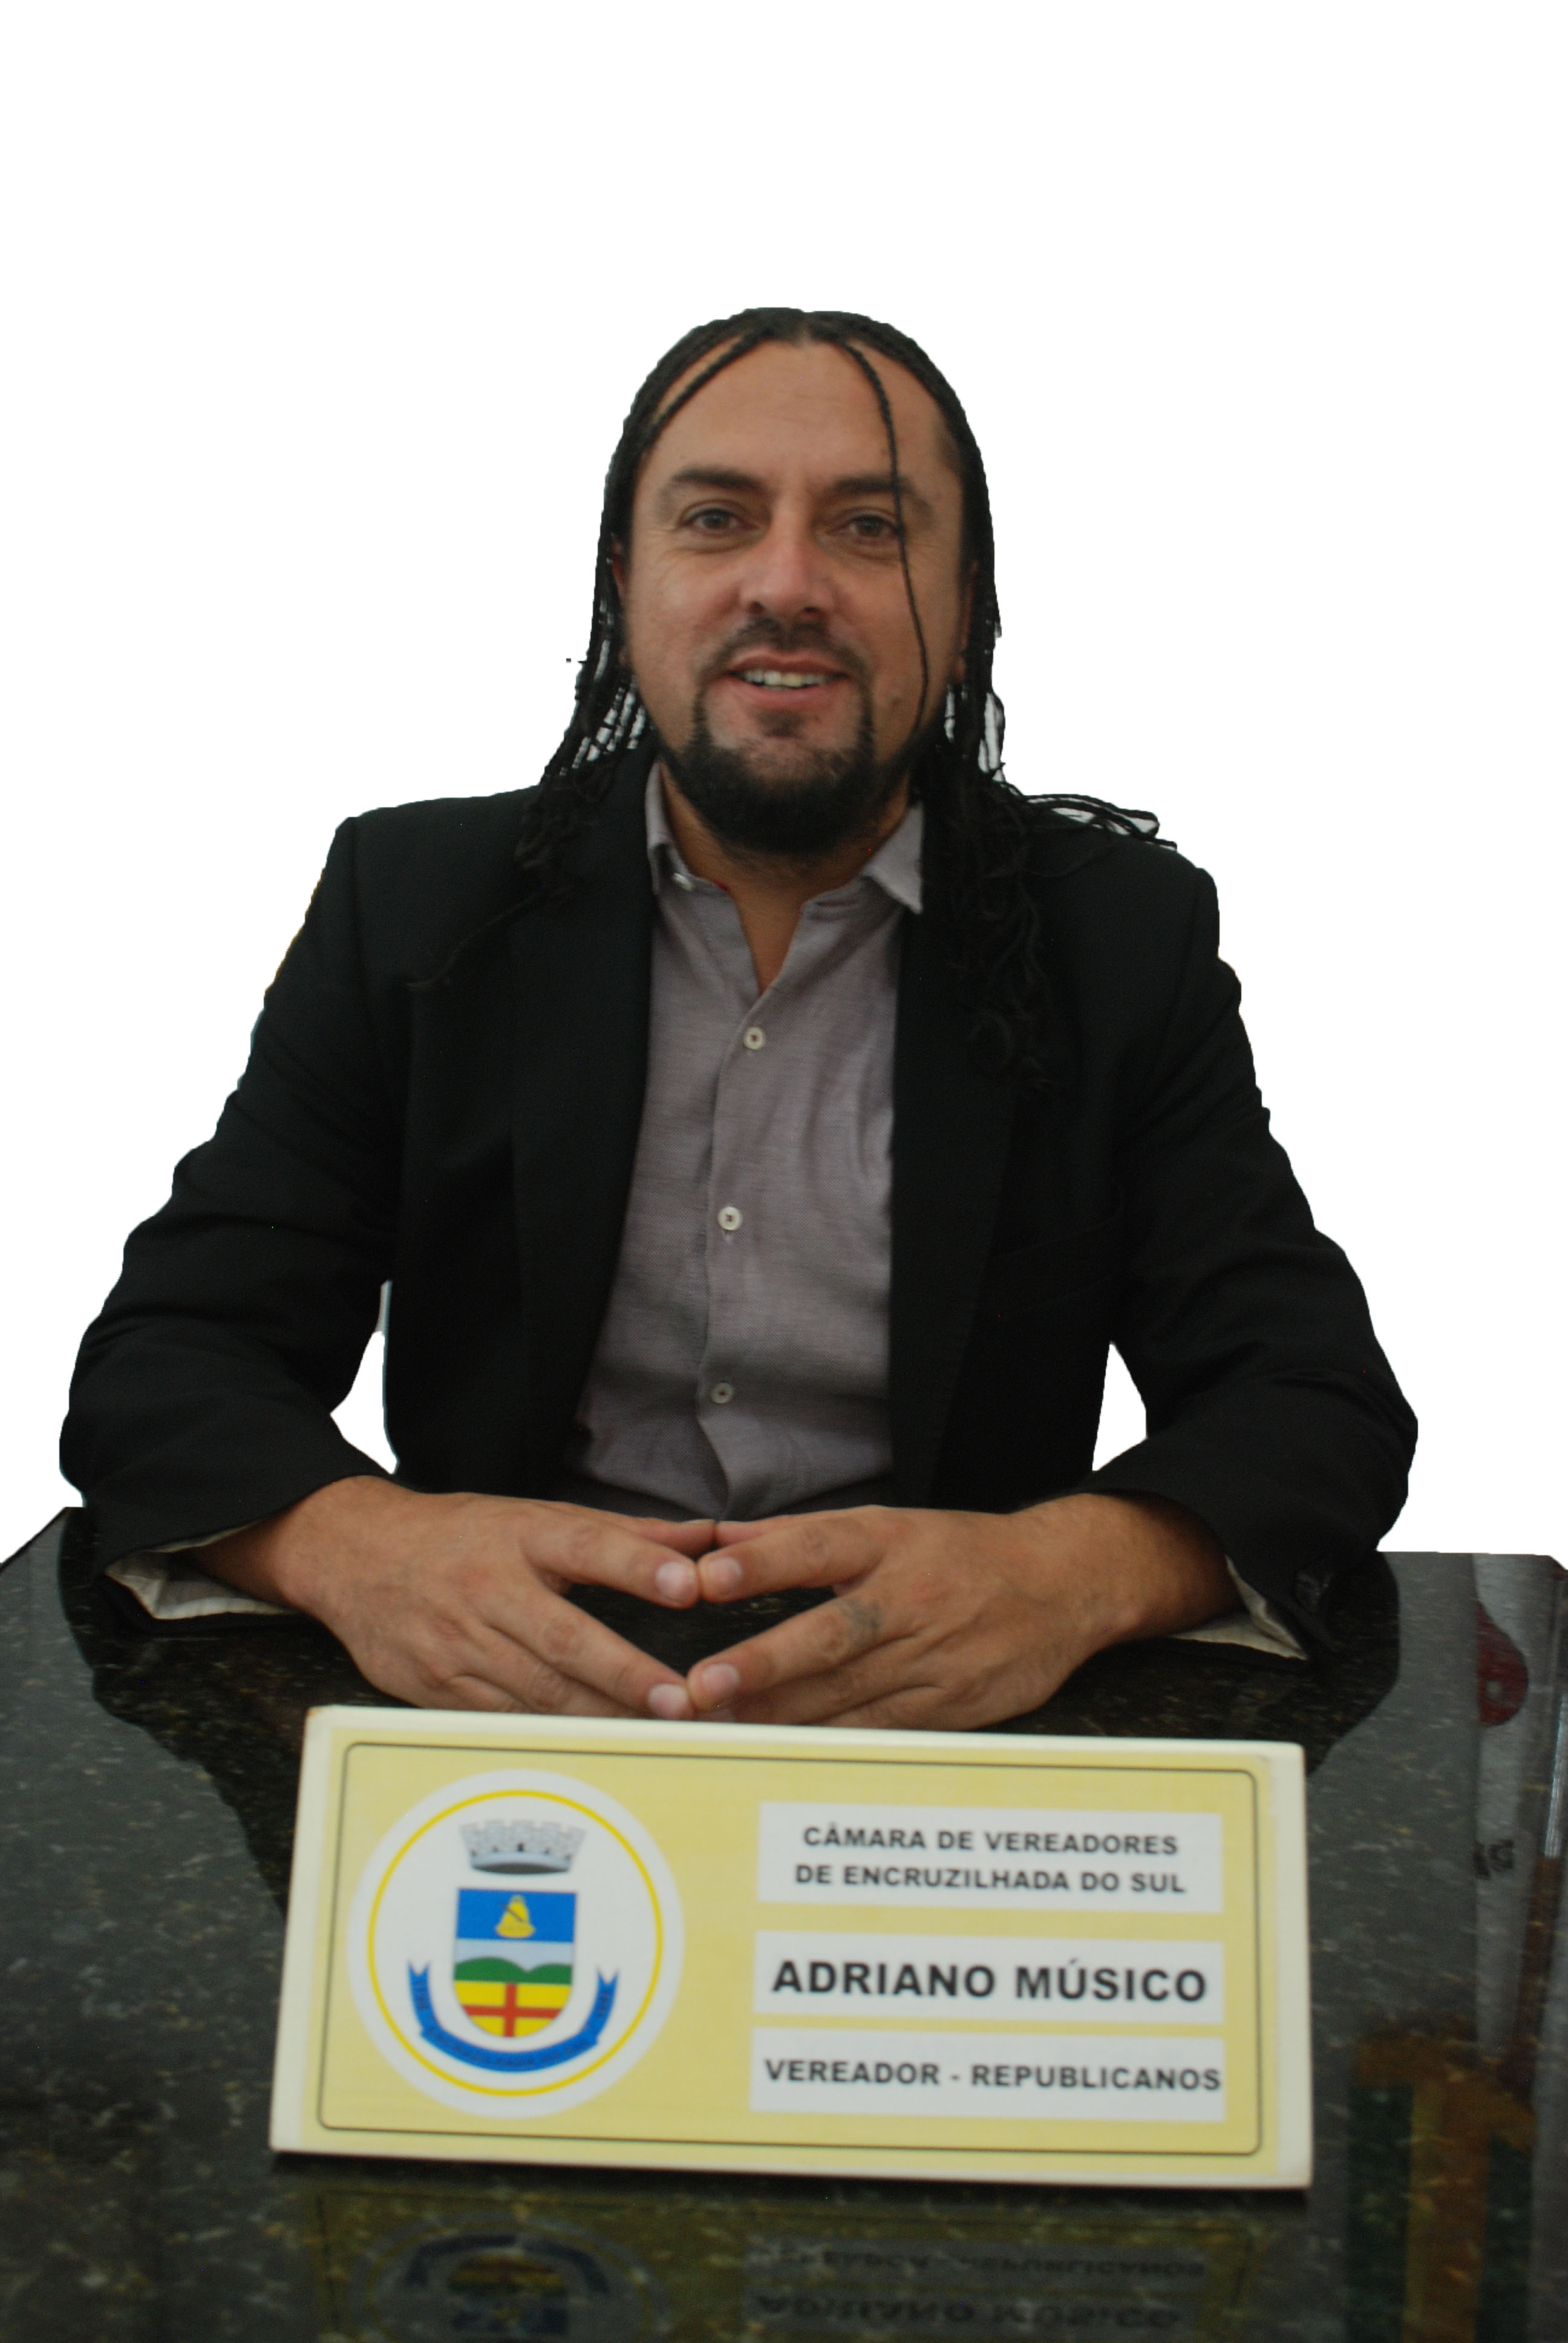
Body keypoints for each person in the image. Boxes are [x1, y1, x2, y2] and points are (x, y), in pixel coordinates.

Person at [62, 306, 1416, 1731]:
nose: (787, 585)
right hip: (505, 1729)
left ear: (964, 610)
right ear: (624, 585)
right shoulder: (412, 908)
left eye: (869, 528)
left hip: (939, 1736)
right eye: (717, 520)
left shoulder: (1118, 937)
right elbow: (169, 1362)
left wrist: (1066, 1575)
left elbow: (1311, 1399)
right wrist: (362, 1548)